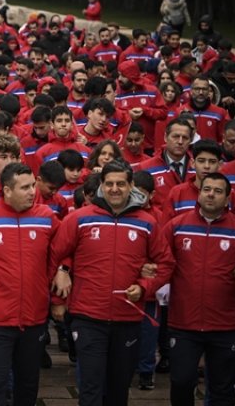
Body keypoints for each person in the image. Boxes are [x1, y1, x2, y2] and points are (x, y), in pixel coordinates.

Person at [49, 161, 173, 406]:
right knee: (91, 387)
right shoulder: (79, 219)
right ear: (101, 186)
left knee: (118, 389)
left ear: (131, 186)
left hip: (127, 317)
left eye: (121, 184)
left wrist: (144, 287)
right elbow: (55, 255)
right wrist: (58, 297)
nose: (115, 189)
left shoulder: (147, 222)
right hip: (88, 316)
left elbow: (166, 263)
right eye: (109, 184)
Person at [158, 172, 235, 406]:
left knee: (222, 389)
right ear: (199, 193)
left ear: (227, 198)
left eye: (217, 191)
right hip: (184, 322)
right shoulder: (177, 226)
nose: (211, 194)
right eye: (207, 189)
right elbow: (160, 260)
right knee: (182, 381)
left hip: (226, 324)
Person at [0, 163, 58, 406]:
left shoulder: (46, 217)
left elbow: (63, 251)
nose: (32, 192)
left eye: (33, 187)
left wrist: (64, 269)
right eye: (24, 187)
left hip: (34, 316)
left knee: (28, 385)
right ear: (6, 190)